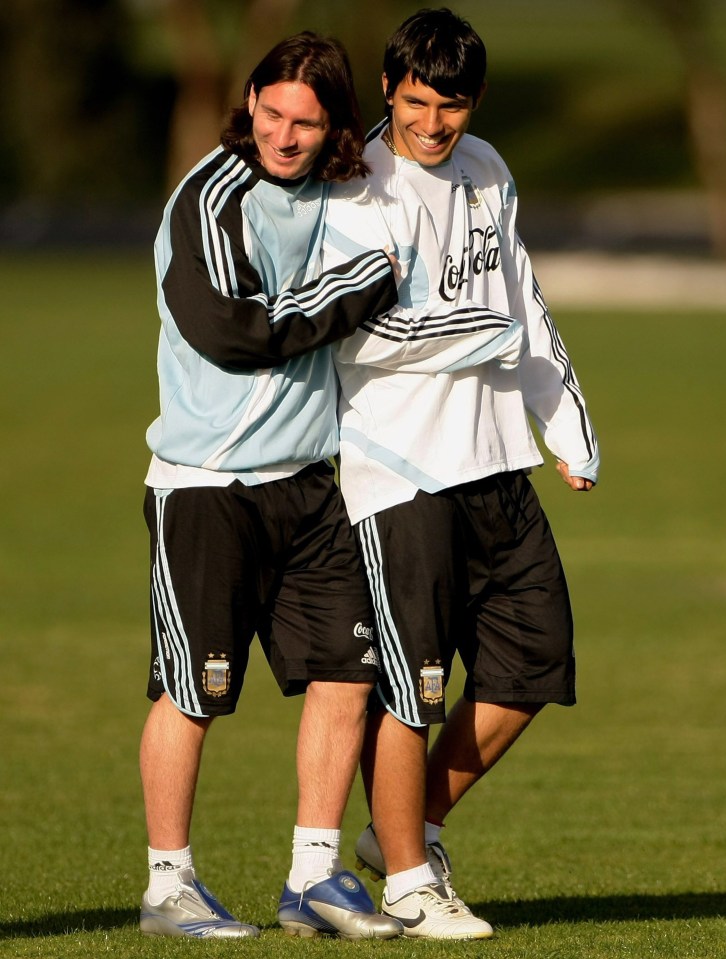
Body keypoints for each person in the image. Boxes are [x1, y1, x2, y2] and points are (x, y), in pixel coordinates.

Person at [323, 7, 599, 941]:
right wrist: (483, 334)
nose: (432, 125)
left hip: (497, 461)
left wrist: (564, 425)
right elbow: (364, 334)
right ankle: (405, 878)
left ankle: (408, 829)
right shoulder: (357, 186)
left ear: (472, 101)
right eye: (414, 104)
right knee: (417, 684)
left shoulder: (486, 168)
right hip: (397, 470)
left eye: (450, 106)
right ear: (389, 91)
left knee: (534, 660)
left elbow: (520, 297)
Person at [138, 31, 404, 941]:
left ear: (330, 126)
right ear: (249, 101)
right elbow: (234, 332)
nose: (284, 136)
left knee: (347, 674)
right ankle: (169, 884)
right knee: (193, 689)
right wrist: (364, 285)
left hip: (310, 485)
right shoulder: (209, 198)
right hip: (206, 486)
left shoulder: (334, 183)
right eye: (272, 113)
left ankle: (314, 880)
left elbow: (404, 149)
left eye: (306, 121)